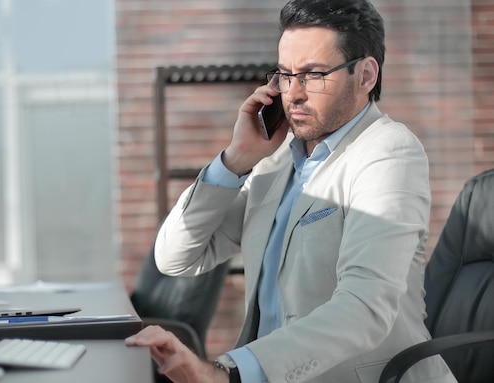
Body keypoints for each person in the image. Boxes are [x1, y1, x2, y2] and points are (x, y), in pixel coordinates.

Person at [126, 0, 457, 382]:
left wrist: (227, 374)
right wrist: (235, 159)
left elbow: (364, 307)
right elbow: (174, 258)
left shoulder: (388, 152)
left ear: (365, 75)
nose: (293, 93)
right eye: (285, 75)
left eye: (313, 75)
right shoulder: (278, 159)